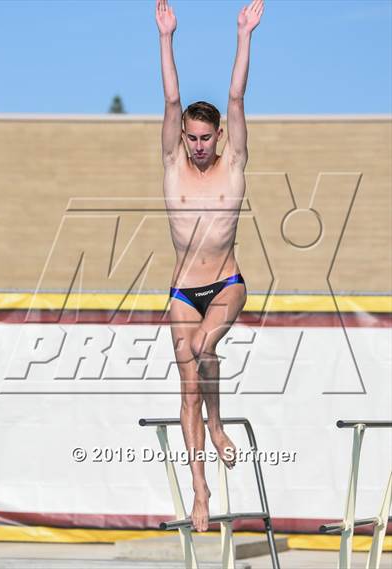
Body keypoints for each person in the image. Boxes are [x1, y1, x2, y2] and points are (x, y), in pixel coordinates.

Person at [155, 0, 264, 533]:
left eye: (206, 138)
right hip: (181, 291)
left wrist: (243, 35)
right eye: (191, 138)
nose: (198, 146)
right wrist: (166, 39)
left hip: (226, 283)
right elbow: (172, 97)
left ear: (219, 136)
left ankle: (219, 425)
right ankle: (199, 489)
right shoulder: (174, 163)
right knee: (187, 388)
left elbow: (236, 96)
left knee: (202, 348)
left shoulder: (234, 165)